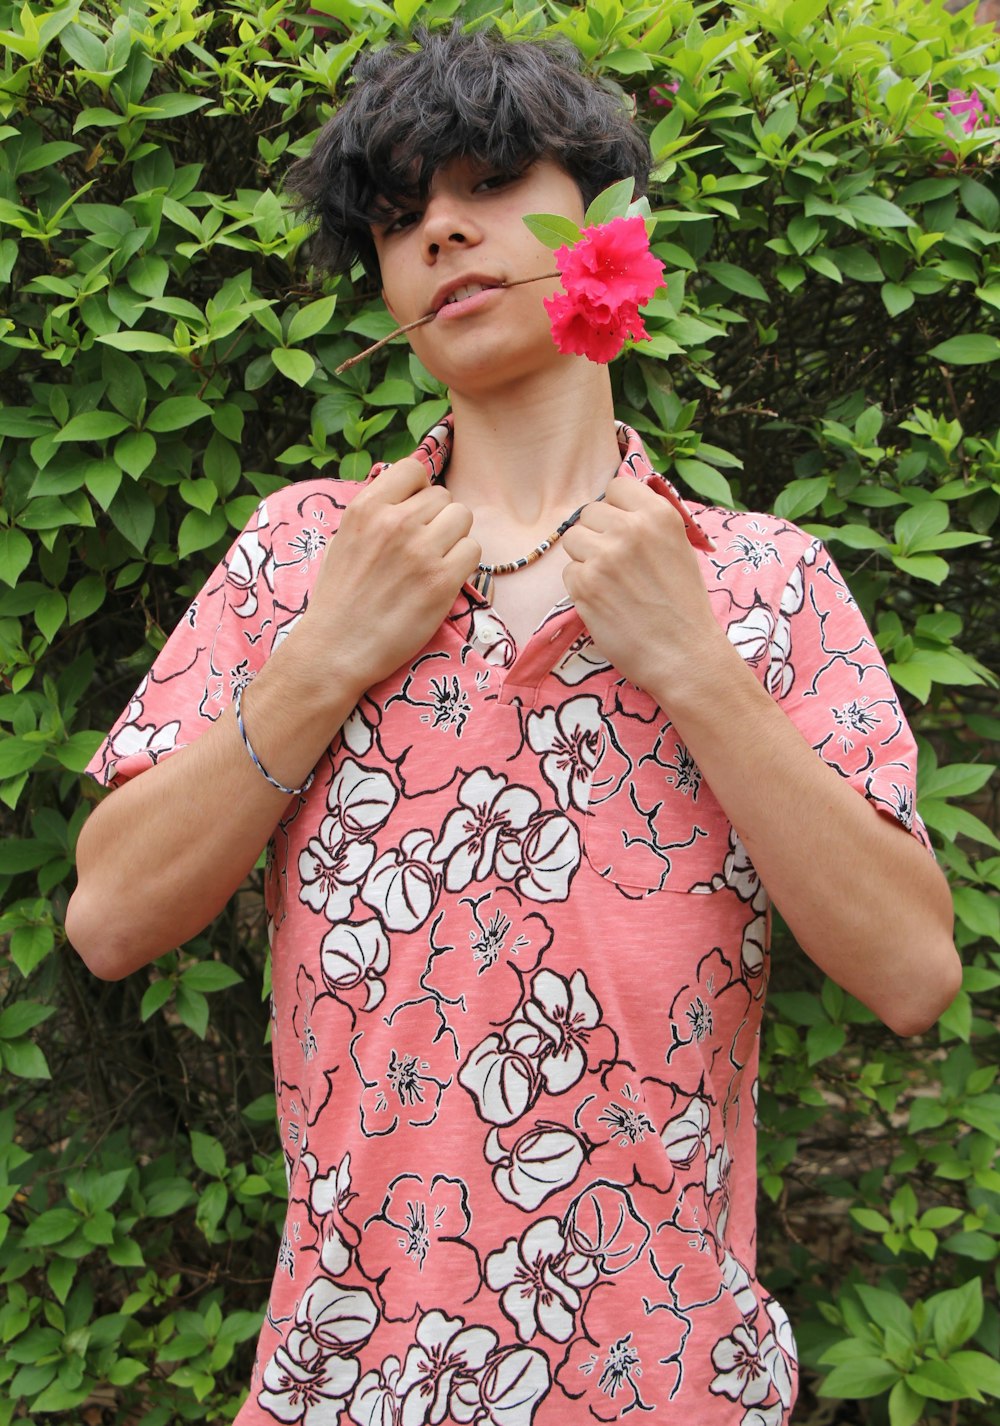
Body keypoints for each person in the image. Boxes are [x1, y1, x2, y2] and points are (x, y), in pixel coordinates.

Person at [67, 26, 960, 1426]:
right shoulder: (308, 553)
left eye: (485, 183)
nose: (438, 232)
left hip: (670, 1389)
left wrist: (694, 667)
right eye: (398, 214)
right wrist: (326, 659)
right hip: (346, 1383)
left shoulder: (761, 583)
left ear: (607, 219)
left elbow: (912, 970)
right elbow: (109, 915)